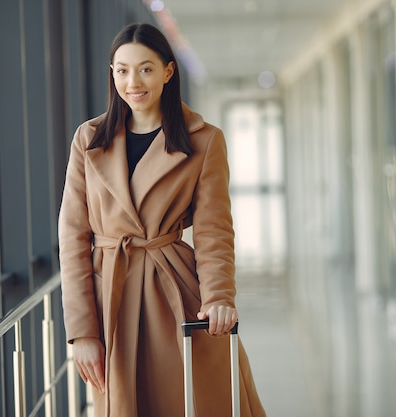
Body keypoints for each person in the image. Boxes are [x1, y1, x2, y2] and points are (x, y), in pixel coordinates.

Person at [58, 22, 266, 417]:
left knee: (195, 399)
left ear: (169, 72)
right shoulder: (89, 139)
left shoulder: (203, 139)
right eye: (122, 70)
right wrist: (82, 331)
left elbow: (213, 229)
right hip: (112, 298)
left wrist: (219, 296)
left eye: (146, 69)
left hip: (175, 291)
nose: (132, 81)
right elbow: (71, 238)